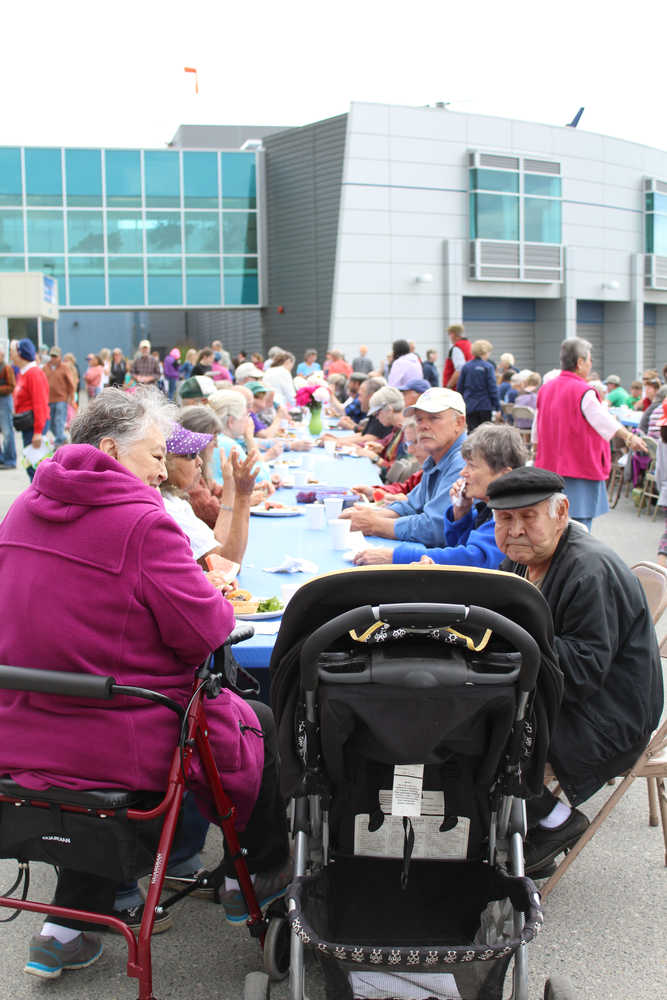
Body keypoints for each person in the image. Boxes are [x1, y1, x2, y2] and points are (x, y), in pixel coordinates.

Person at [0, 388, 290, 976]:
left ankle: (69, 923)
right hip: (121, 734)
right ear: (109, 449)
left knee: (94, 727)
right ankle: (255, 874)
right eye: (156, 455)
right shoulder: (143, 521)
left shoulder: (23, 506)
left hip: (21, 728)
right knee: (255, 721)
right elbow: (205, 631)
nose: (163, 469)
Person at [486, 466, 664, 873]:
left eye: (528, 517)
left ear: (561, 512)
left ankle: (553, 821)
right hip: (573, 698)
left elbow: (581, 672)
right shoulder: (523, 562)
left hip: (608, 717)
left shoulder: (589, 571)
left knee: (479, 734)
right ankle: (515, 824)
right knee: (464, 709)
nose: (514, 530)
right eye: (504, 519)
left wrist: (508, 648)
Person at [354, 423, 526, 566]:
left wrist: (396, 557)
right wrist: (461, 515)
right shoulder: (488, 508)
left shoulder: (510, 515)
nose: (463, 473)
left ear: (503, 475)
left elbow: (474, 559)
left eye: (472, 466)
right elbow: (457, 546)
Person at [534, 337, 648, 530]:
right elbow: (603, 420)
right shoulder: (583, 390)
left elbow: (536, 429)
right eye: (589, 360)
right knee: (578, 529)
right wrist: (629, 437)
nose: (590, 364)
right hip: (579, 468)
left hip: (550, 467)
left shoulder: (545, 389)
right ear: (580, 362)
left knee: (554, 526)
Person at [340, 387, 466, 545]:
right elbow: (412, 505)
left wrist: (373, 523)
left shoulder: (463, 461)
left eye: (434, 418)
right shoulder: (438, 457)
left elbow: (435, 528)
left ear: (459, 423)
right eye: (419, 419)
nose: (423, 426)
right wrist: (372, 513)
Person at [161, 418, 258, 566]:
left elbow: (216, 540)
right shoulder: (168, 509)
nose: (199, 461)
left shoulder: (174, 500)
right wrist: (243, 495)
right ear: (164, 462)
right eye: (191, 455)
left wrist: (230, 486)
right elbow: (227, 564)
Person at [11, 338, 50, 481]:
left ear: (21, 353)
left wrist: (38, 432)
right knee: (30, 464)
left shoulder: (34, 373)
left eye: (13, 352)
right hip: (28, 425)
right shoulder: (24, 372)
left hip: (34, 425)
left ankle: (41, 497)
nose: (11, 356)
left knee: (35, 466)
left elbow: (40, 403)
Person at [457, 339, 500, 431]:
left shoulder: (466, 367)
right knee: (485, 433)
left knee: (472, 432)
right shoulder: (488, 367)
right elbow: (492, 388)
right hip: (484, 405)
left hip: (469, 405)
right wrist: (497, 407)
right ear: (485, 352)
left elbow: (460, 388)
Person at [44, 346, 75, 448]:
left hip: (61, 399)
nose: (53, 358)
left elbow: (71, 383)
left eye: (55, 356)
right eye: (52, 356)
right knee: (51, 423)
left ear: (60, 357)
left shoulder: (64, 367)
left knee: (59, 421)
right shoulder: (45, 367)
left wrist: (71, 397)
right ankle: (61, 438)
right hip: (49, 399)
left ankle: (59, 442)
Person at [0, 346, 17, 469]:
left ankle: (10, 460)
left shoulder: (7, 368)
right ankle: (1, 459)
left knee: (7, 431)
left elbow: (12, 386)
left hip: (4, 402)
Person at [442, 323, 472, 388]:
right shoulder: (469, 345)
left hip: (456, 389)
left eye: (449, 334)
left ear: (453, 334)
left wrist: (448, 387)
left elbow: (459, 369)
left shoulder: (457, 348)